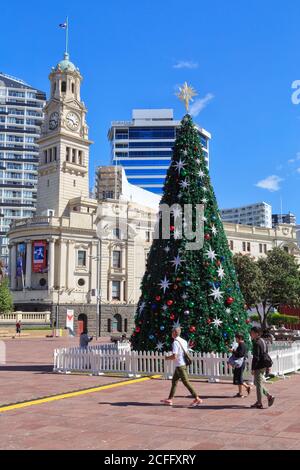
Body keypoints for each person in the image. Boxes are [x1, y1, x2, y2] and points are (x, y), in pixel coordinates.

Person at [160, 327, 203, 407]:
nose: (171, 334)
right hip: (181, 365)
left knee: (186, 382)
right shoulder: (184, 341)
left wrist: (167, 358)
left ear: (175, 333)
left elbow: (174, 356)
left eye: (172, 332)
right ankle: (169, 399)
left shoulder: (175, 342)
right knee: (174, 382)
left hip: (180, 366)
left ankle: (197, 398)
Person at [250, 326, 275, 409]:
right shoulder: (263, 341)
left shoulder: (256, 343)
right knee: (257, 383)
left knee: (258, 384)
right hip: (264, 364)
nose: (251, 334)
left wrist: (253, 368)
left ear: (257, 333)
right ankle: (265, 398)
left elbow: (256, 357)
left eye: (252, 333)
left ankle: (260, 402)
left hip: (259, 366)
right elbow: (266, 353)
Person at [230, 333, 251, 398]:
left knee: (239, 378)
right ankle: (240, 393)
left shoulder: (241, 345)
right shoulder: (242, 344)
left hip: (240, 363)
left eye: (236, 338)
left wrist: (233, 351)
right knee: (239, 377)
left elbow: (240, 354)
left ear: (240, 338)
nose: (235, 339)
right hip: (241, 363)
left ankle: (247, 387)